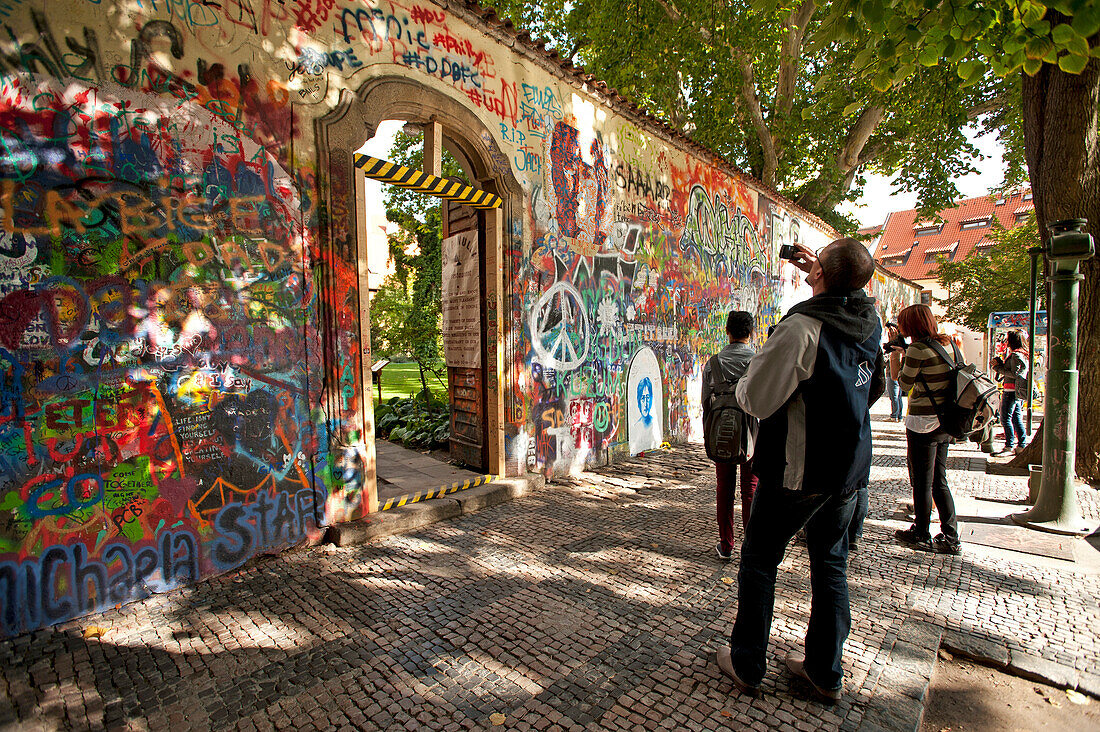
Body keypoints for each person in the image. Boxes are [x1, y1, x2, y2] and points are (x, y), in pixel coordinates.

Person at [715, 238, 885, 704]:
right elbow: (875, 388)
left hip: (797, 472)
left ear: (824, 276)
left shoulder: (802, 329)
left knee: (759, 560)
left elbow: (756, 398)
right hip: (848, 470)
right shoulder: (870, 321)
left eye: (820, 261)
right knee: (831, 565)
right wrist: (825, 272)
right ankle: (824, 671)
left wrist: (753, 379)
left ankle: (748, 664)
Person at [893, 304, 962, 555]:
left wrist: (897, 356)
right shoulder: (950, 345)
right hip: (946, 421)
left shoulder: (917, 350)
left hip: (923, 423)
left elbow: (903, 384)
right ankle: (951, 535)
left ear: (910, 325)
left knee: (922, 480)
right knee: (938, 479)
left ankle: (921, 532)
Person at [701, 310, 758, 560]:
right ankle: (751, 545)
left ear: (727, 331)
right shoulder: (758, 362)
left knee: (724, 488)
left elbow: (705, 402)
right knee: (751, 489)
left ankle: (726, 544)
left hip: (722, 431)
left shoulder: (713, 363)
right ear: (751, 333)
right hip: (752, 434)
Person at [990, 330, 1030, 455]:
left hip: (1011, 390)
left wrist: (997, 368)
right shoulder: (1022, 354)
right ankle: (1021, 445)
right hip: (1015, 390)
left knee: (1005, 418)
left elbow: (1015, 374)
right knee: (1016, 418)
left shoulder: (1016, 355)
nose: (1006, 341)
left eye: (1007, 339)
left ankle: (1009, 445)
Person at [884, 323, 906, 421]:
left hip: (893, 373)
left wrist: (893, 347)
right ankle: (898, 415)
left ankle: (895, 415)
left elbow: (895, 375)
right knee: (898, 396)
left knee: (894, 396)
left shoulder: (904, 350)